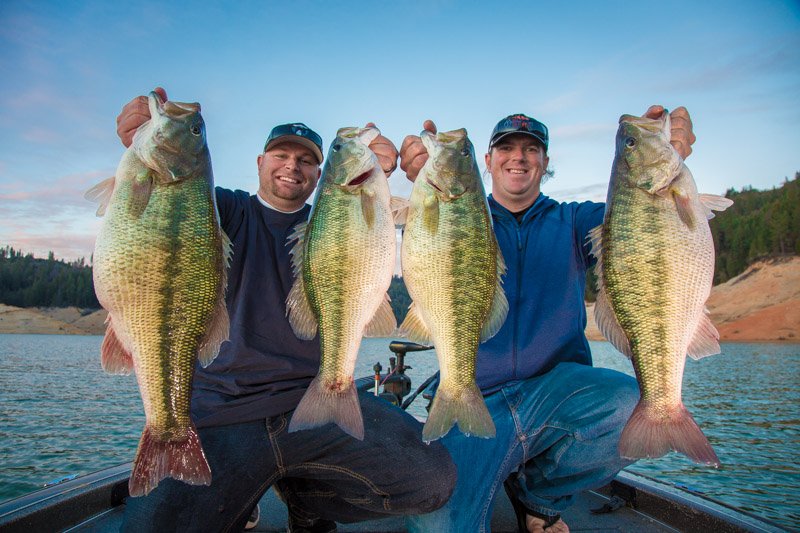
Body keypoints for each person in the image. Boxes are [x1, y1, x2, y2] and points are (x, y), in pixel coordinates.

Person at [114, 87, 456, 532]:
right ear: (260, 162)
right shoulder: (223, 209)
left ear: (320, 174)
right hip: (222, 409)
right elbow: (171, 202)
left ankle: (307, 500)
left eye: (307, 160)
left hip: (309, 399)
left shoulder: (334, 219)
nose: (292, 165)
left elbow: (429, 233)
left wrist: (383, 175)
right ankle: (244, 491)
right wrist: (143, 142)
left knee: (432, 480)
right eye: (281, 154)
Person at [398, 107, 696, 533]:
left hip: (557, 393)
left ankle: (539, 498)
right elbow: (415, 244)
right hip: (477, 394)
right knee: (438, 526)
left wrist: (668, 157)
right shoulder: (460, 217)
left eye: (531, 149)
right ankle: (497, 467)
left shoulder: (576, 221)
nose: (518, 157)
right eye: (507, 148)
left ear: (545, 162)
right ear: (487, 161)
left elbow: (642, 223)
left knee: (633, 405)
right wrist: (422, 182)